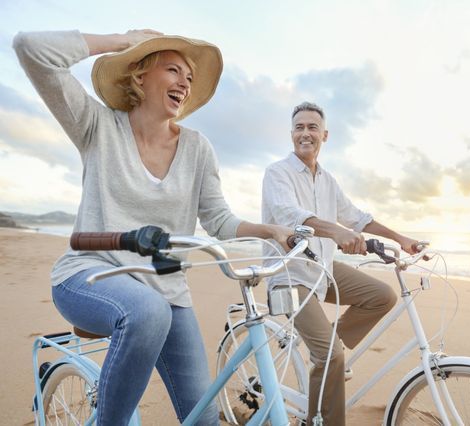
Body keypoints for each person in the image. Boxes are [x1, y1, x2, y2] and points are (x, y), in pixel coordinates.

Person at [14, 29, 292, 426]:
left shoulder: (198, 148)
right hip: (89, 274)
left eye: (190, 78)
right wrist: (118, 41)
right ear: (140, 76)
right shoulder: (97, 126)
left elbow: (218, 219)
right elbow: (31, 50)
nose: (184, 83)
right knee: (147, 312)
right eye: (173, 70)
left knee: (204, 418)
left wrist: (270, 231)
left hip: (168, 291)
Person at [261, 101, 425, 425]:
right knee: (330, 356)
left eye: (312, 127)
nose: (305, 133)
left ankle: (328, 349)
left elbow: (357, 218)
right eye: (299, 127)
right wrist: (335, 231)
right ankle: (320, 414)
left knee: (382, 296)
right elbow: (290, 217)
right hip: (289, 274)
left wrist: (401, 239)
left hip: (322, 268)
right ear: (292, 134)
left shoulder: (327, 180)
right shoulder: (277, 173)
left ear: (325, 134)